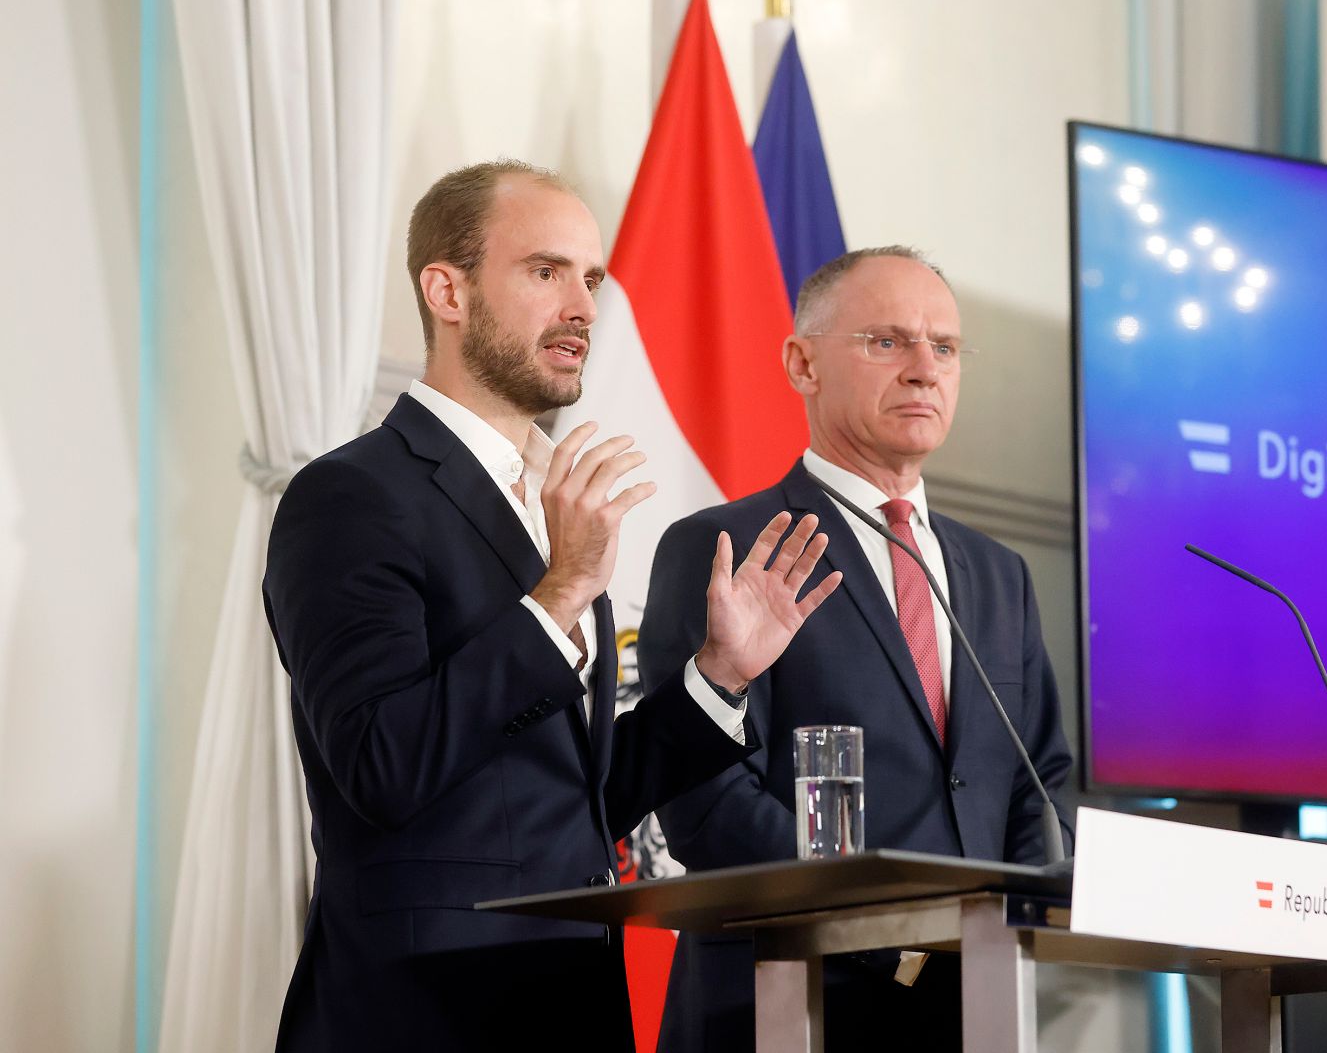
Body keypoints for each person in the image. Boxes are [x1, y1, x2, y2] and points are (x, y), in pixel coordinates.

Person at [264, 159, 842, 1053]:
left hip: (571, 1001)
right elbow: (382, 767)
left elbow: (573, 802)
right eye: (545, 271)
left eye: (593, 278)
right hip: (422, 1014)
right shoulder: (350, 496)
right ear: (445, 290)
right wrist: (561, 593)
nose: (583, 307)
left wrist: (717, 676)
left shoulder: (546, 502)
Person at [637, 247, 1074, 1052]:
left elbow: (1037, 781)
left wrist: (997, 944)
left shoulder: (996, 572)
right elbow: (702, 798)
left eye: (944, 348)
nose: (923, 369)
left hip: (973, 1007)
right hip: (785, 999)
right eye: (887, 341)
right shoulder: (727, 544)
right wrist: (897, 943)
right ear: (802, 363)